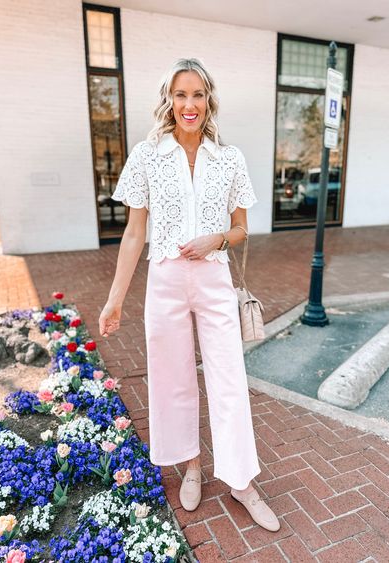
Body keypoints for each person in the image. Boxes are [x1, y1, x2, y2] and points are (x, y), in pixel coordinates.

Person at [98, 58, 280, 532]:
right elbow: (135, 235)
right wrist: (115, 298)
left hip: (214, 277)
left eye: (197, 95)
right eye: (181, 95)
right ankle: (192, 467)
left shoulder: (229, 158)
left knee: (228, 379)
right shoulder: (147, 155)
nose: (189, 104)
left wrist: (216, 238)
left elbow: (242, 228)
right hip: (165, 280)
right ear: (169, 100)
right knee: (171, 378)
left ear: (208, 100)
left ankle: (241, 481)